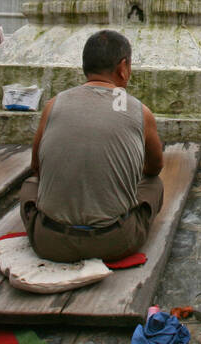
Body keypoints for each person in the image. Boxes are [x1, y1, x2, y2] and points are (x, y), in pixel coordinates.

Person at [20, 30, 165, 263]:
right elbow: (154, 168)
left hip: (49, 242)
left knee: (30, 184)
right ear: (123, 67)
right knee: (154, 185)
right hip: (115, 242)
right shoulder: (139, 110)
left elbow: (37, 167)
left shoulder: (54, 104)